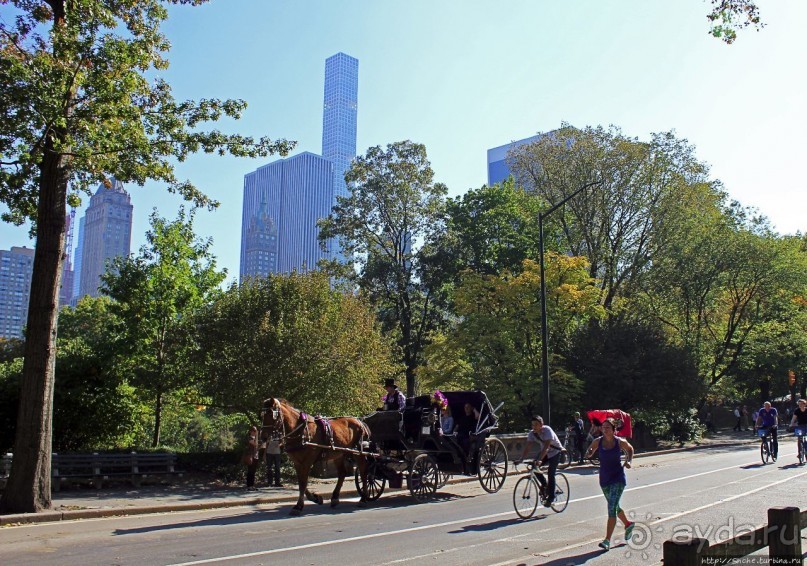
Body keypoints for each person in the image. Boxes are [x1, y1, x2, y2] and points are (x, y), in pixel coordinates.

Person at [585, 418, 635, 552]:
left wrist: (628, 461)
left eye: (608, 427)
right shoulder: (598, 441)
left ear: (614, 430)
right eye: (603, 427)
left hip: (618, 479)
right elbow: (590, 451)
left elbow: (630, 449)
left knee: (611, 508)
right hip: (604, 479)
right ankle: (628, 524)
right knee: (615, 506)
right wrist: (588, 453)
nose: (605, 429)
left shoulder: (620, 442)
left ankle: (607, 540)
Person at [516, 416, 563, 507]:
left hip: (555, 452)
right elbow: (528, 447)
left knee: (551, 473)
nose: (534, 427)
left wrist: (540, 460)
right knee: (534, 467)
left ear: (542, 424)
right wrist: (521, 459)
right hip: (544, 453)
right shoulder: (532, 433)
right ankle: (545, 485)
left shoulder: (547, 430)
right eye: (533, 425)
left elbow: (546, 447)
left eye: (536, 425)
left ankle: (551, 498)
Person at [243, 425, 260, 490]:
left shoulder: (254, 438)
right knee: (250, 471)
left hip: (255, 456)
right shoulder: (249, 438)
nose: (255, 432)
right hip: (250, 456)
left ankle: (252, 485)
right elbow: (255, 444)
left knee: (253, 471)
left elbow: (257, 447)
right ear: (251, 431)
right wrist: (257, 436)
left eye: (256, 431)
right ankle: (249, 485)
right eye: (254, 431)